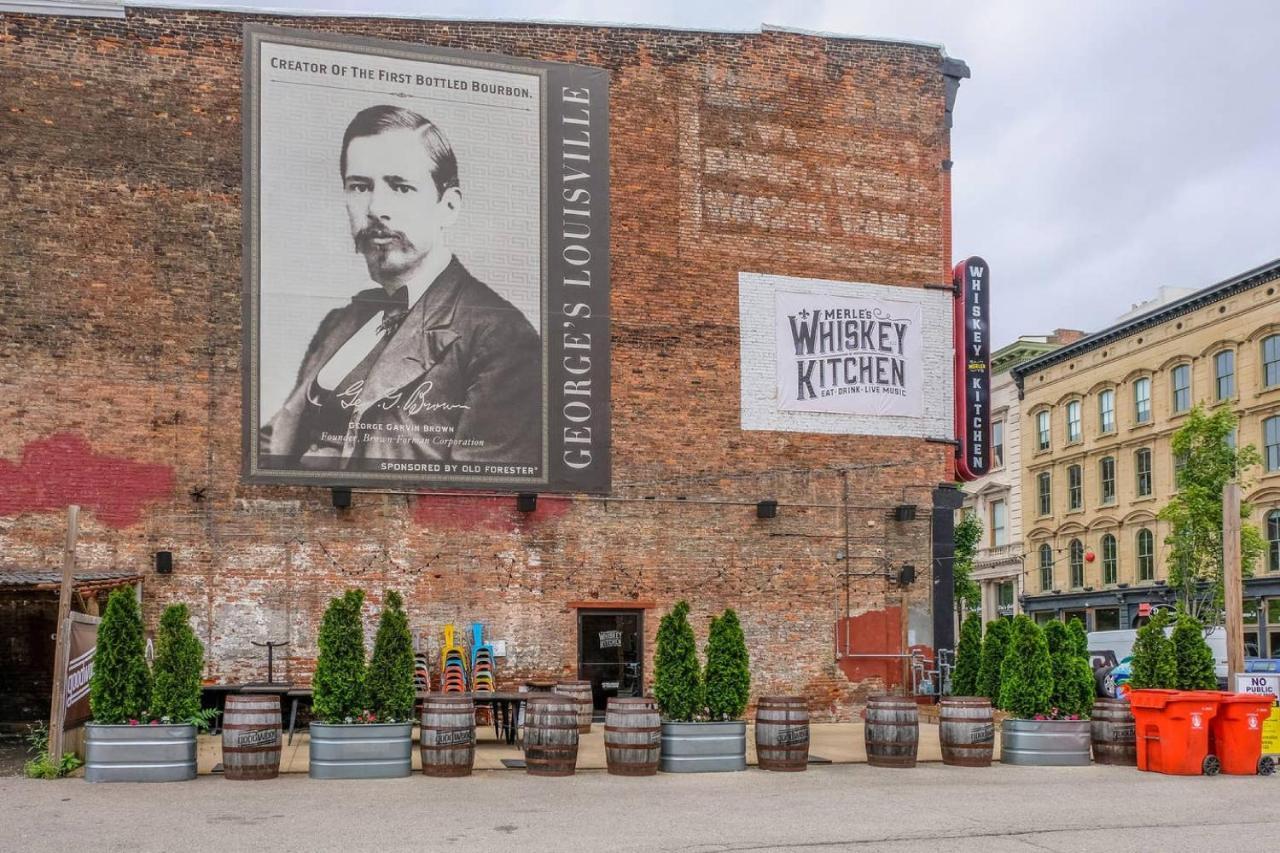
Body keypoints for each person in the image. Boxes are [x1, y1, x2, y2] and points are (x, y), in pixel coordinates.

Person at [261, 104, 542, 474]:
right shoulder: (340, 322)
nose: (376, 207)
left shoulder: (500, 337)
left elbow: (477, 496)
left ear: (449, 206)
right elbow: (276, 440)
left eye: (401, 186)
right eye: (359, 186)